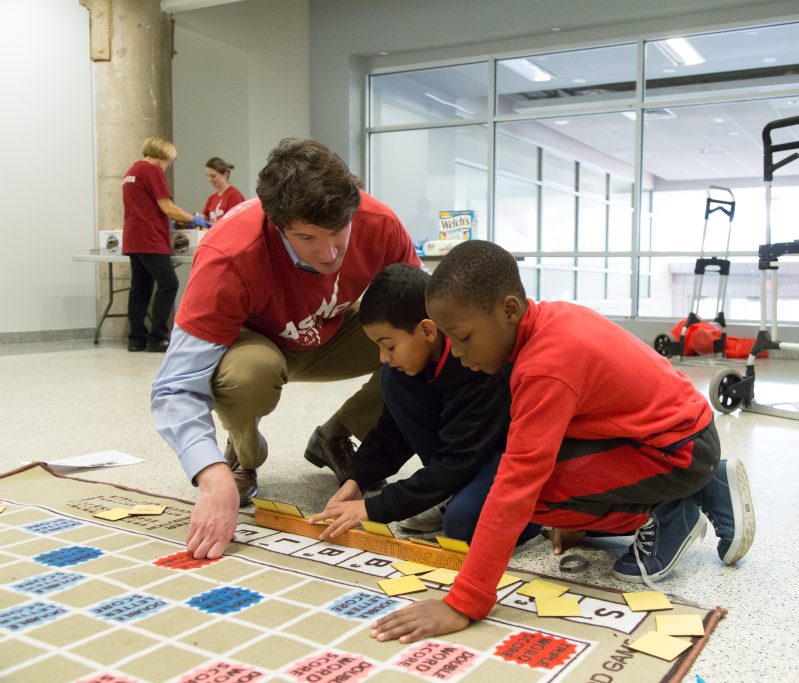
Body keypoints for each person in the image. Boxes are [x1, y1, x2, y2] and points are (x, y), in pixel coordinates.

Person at [367, 240, 756, 644]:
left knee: (531, 496)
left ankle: (670, 510)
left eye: (463, 337)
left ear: (509, 310)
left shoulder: (545, 366)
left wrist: (465, 600)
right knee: (534, 490)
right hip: (677, 434)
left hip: (678, 451)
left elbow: (517, 484)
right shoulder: (549, 318)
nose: (459, 352)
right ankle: (705, 486)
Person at [151, 138, 419, 561]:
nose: (329, 252)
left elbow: (424, 325)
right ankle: (243, 453)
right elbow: (175, 387)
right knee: (249, 373)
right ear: (276, 224)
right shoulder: (228, 253)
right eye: (307, 237)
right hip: (258, 348)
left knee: (414, 343)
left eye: (338, 232)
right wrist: (209, 475)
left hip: (334, 335)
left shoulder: (379, 222)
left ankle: (335, 434)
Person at [308, 263, 540, 546]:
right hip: (460, 456)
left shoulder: (476, 360)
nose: (383, 357)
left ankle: (543, 513)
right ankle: (448, 492)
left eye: (389, 345)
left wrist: (376, 507)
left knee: (464, 524)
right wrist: (357, 479)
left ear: (428, 331)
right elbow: (393, 431)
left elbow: (459, 458)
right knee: (391, 378)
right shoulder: (405, 369)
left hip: (502, 454)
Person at [122, 136, 211, 353]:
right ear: (163, 155)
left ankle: (136, 339)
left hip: (133, 237)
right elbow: (167, 206)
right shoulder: (152, 171)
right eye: (170, 160)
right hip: (150, 237)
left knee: (140, 288)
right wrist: (193, 219)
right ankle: (158, 338)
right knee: (168, 283)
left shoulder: (132, 172)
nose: (169, 164)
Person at [201, 157, 246, 224]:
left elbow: (237, 221)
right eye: (207, 176)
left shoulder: (234, 195)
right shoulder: (211, 199)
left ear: (225, 175)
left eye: (213, 176)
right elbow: (203, 218)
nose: (209, 179)